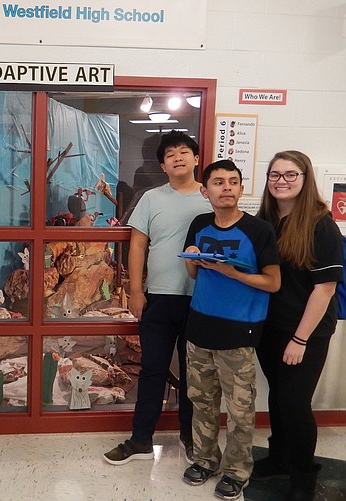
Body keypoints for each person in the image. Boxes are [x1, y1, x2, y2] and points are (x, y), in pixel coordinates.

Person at [104, 130, 211, 466]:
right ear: (163, 166)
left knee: (195, 373)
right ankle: (140, 439)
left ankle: (191, 438)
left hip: (202, 299)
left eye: (183, 152)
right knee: (152, 369)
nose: (177, 157)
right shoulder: (151, 197)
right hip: (159, 298)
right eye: (169, 155)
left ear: (196, 159)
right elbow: (137, 245)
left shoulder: (211, 197)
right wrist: (136, 291)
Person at [180, 160, 280, 500]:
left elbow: (273, 282)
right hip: (199, 328)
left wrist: (233, 273)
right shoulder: (199, 223)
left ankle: (237, 471)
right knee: (202, 401)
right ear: (205, 191)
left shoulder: (259, 230)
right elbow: (195, 276)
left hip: (239, 333)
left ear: (240, 188)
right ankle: (205, 460)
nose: (227, 187)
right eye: (219, 182)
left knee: (239, 410)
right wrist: (191, 259)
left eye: (233, 182)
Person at [254, 151, 344, 501]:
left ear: (306, 179)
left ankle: (304, 477)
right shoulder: (264, 221)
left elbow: (325, 289)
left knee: (294, 402)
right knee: (278, 397)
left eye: (291, 175)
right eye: (275, 174)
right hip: (270, 328)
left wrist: (300, 339)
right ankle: (278, 458)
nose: (281, 181)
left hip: (306, 331)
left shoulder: (321, 224)